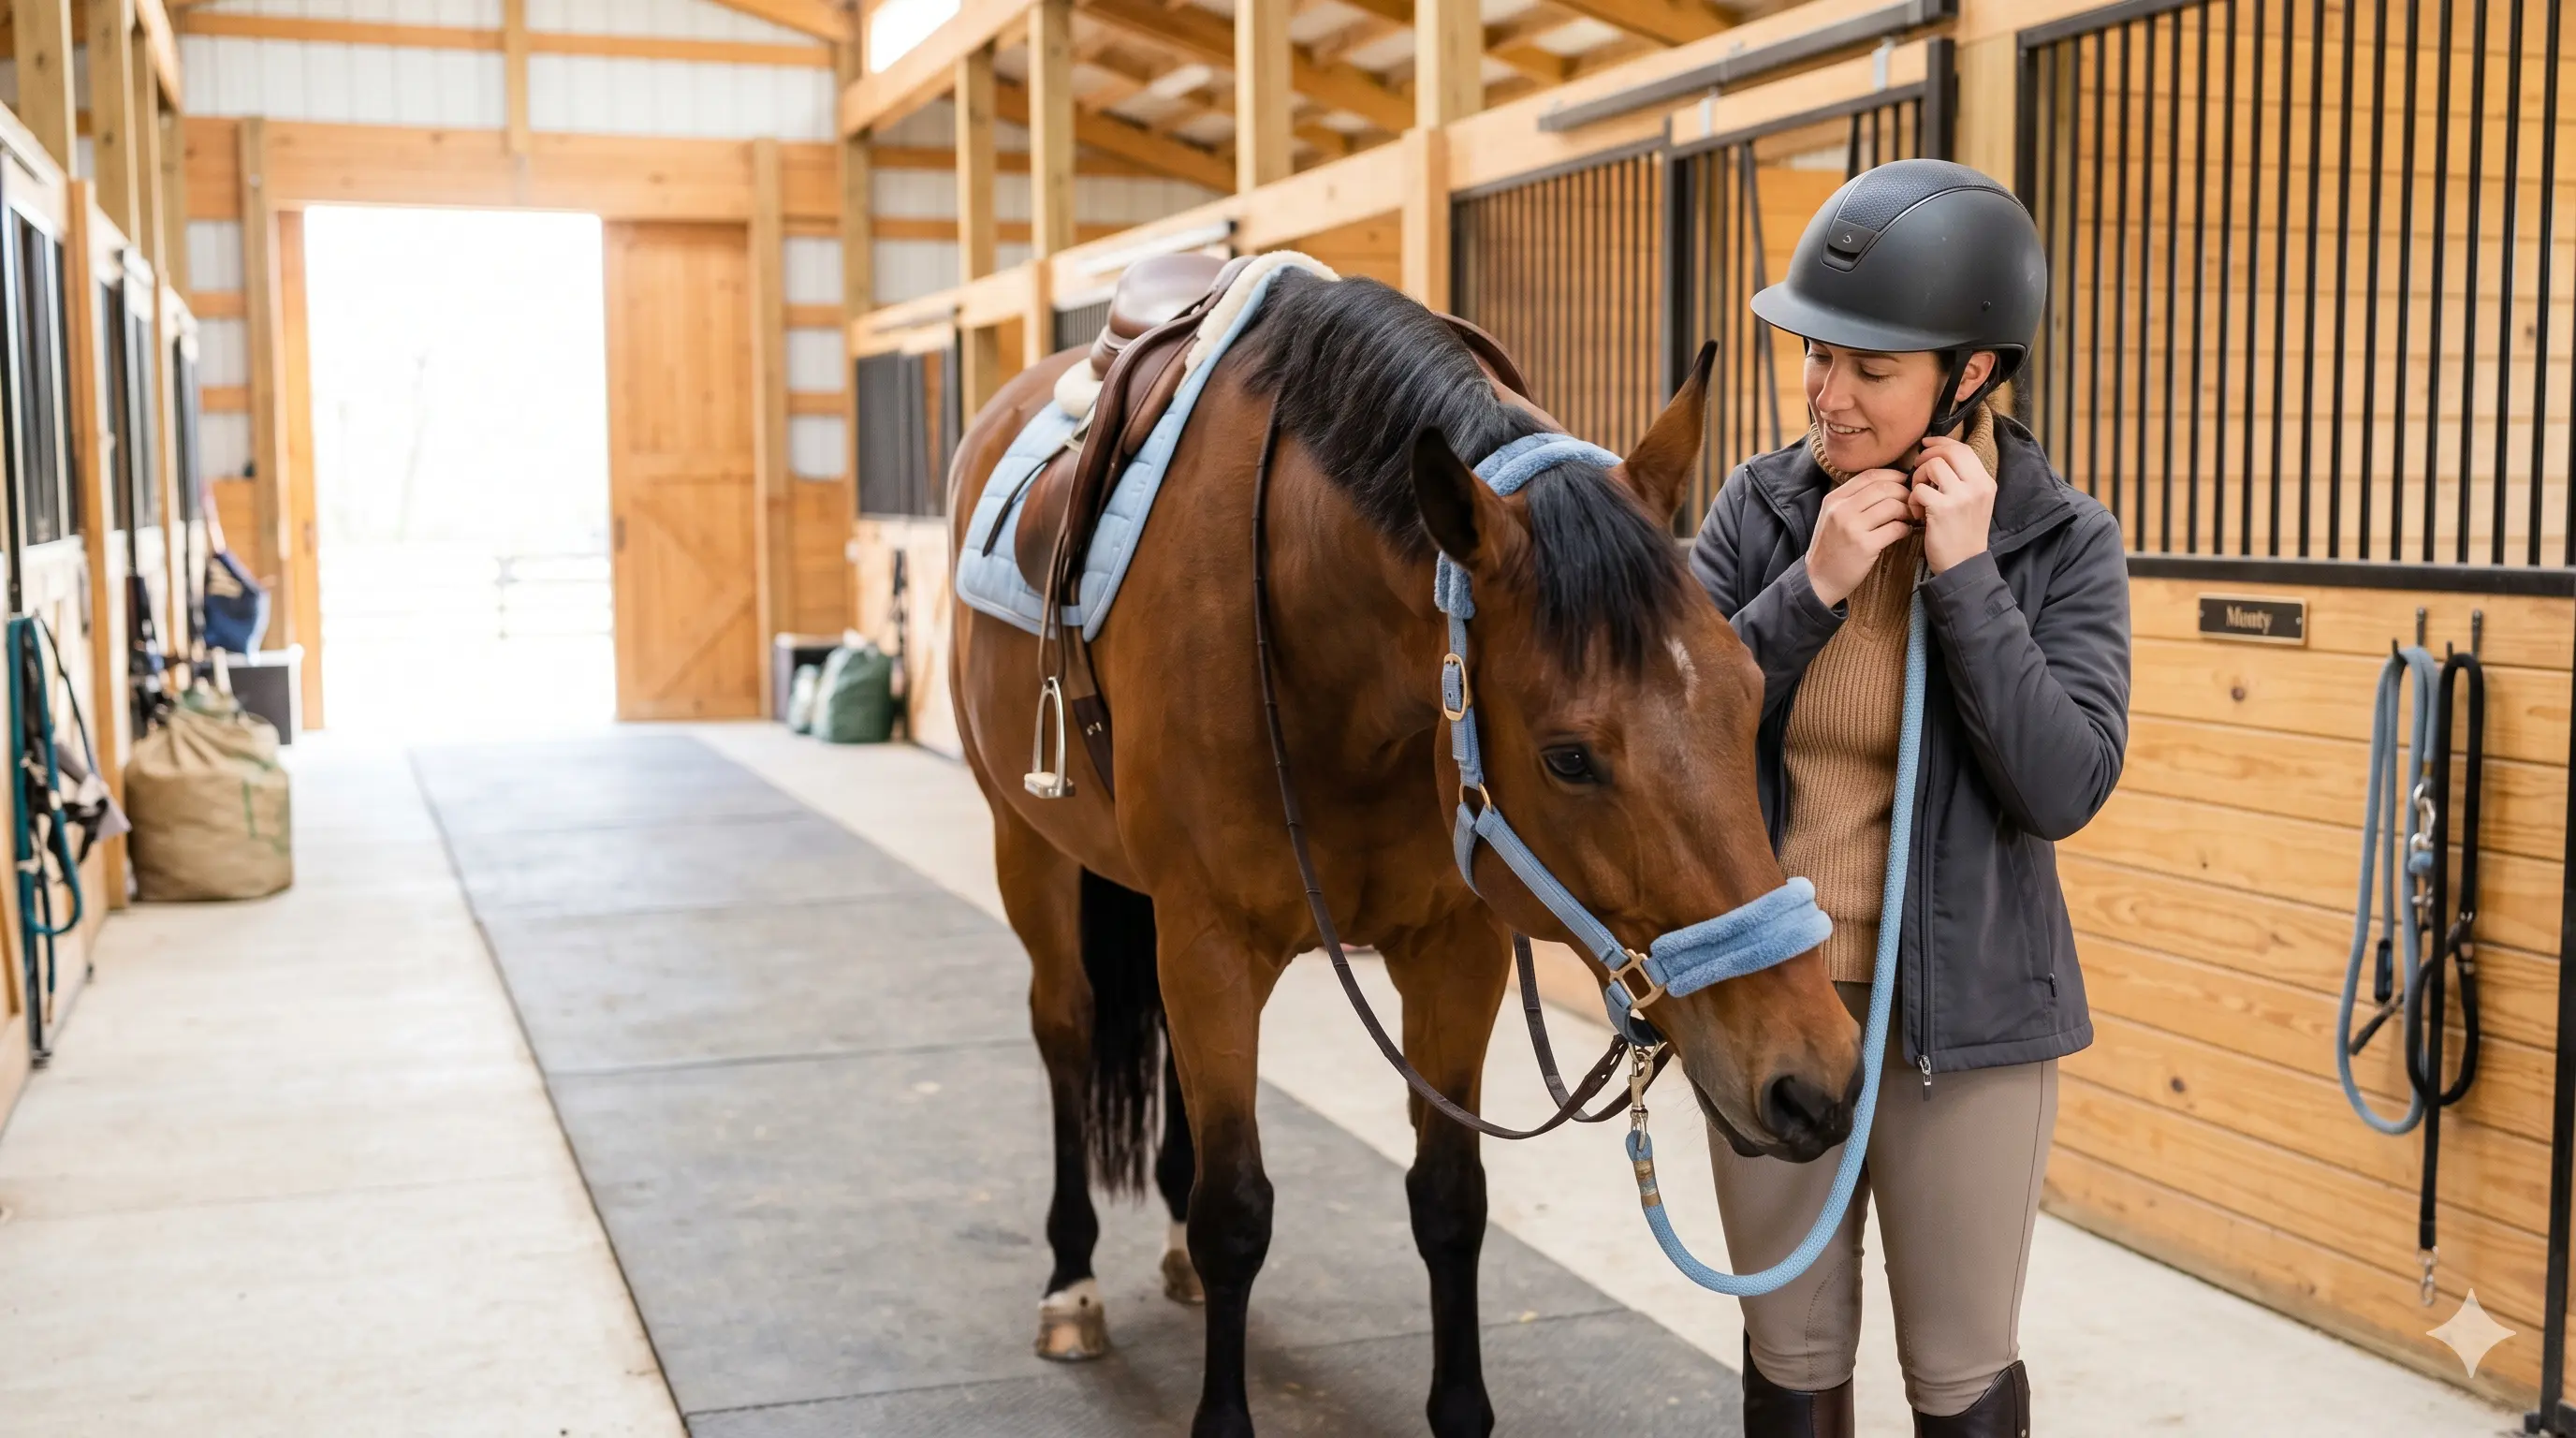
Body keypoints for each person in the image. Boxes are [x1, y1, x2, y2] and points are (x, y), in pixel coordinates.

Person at [1687, 158, 2132, 1436]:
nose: (1825, 396)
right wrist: (1806, 592)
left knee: (1959, 1374)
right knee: (1791, 1352)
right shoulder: (1759, 511)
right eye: (1818, 357)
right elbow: (1677, 737)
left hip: (1971, 1030)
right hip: (1766, 1002)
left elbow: (2062, 784)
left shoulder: (2064, 541)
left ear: (1972, 374)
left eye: (1870, 371)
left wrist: (1969, 578)